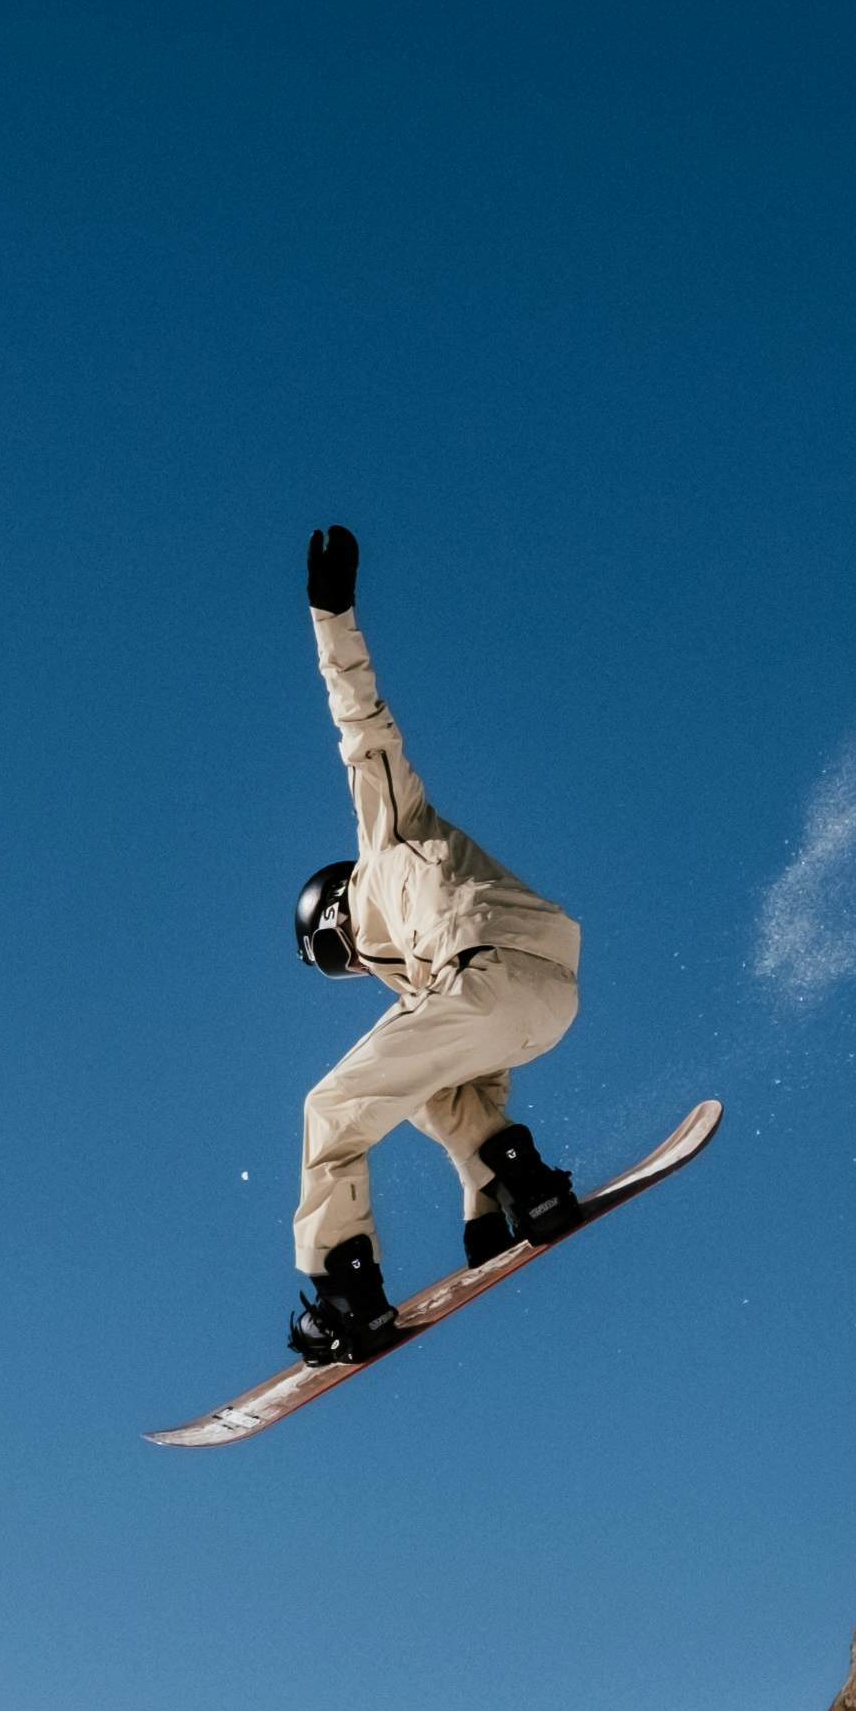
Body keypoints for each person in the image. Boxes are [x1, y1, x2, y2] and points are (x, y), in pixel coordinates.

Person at [276, 523, 592, 1366]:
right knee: (424, 1086)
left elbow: (362, 723)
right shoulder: (412, 972)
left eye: (335, 959)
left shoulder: (387, 837)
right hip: (546, 990)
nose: (352, 972)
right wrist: (481, 1210)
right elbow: (466, 1079)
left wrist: (329, 612)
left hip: (485, 966)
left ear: (334, 916)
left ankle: (348, 1296)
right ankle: (519, 1181)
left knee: (331, 1110)